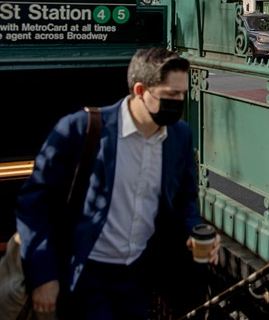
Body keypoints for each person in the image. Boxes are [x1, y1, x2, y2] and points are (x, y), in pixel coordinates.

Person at [17, 48, 221, 319]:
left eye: (183, 93)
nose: (179, 101)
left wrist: (194, 231)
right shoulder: (79, 129)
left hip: (138, 275)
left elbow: (184, 200)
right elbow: (33, 204)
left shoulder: (180, 136)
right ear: (140, 90)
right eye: (171, 94)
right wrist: (43, 275)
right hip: (86, 273)